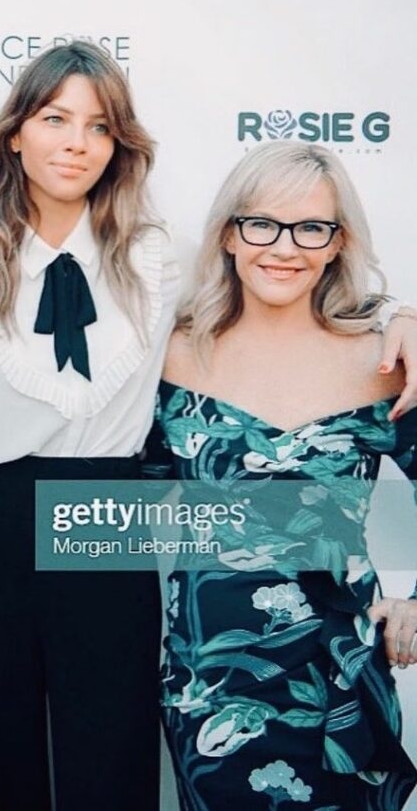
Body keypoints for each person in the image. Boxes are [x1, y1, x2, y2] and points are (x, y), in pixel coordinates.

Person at [0, 43, 417, 811]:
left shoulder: (164, 260)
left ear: (120, 145)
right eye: (55, 118)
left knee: (109, 759)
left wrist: (399, 313)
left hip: (103, 513)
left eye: (98, 125)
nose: (75, 141)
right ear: (15, 133)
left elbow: (278, 264)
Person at [157, 141, 417, 809]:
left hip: (341, 675)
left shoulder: (384, 362)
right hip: (211, 682)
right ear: (229, 235)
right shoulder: (170, 356)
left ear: (337, 243)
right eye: (261, 223)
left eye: (311, 228)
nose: (284, 246)